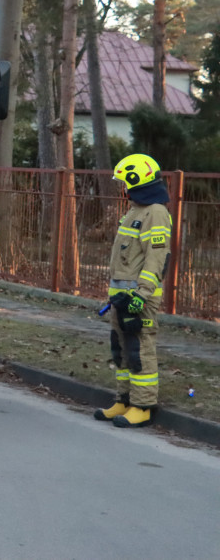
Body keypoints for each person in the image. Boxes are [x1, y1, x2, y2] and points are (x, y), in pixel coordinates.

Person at [93, 153, 172, 428]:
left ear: (137, 182)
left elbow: (156, 259)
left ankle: (143, 406)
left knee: (140, 351)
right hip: (121, 297)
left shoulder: (156, 213)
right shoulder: (136, 211)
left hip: (140, 298)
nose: (123, 188)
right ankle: (124, 401)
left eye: (125, 182)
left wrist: (142, 294)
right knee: (121, 350)